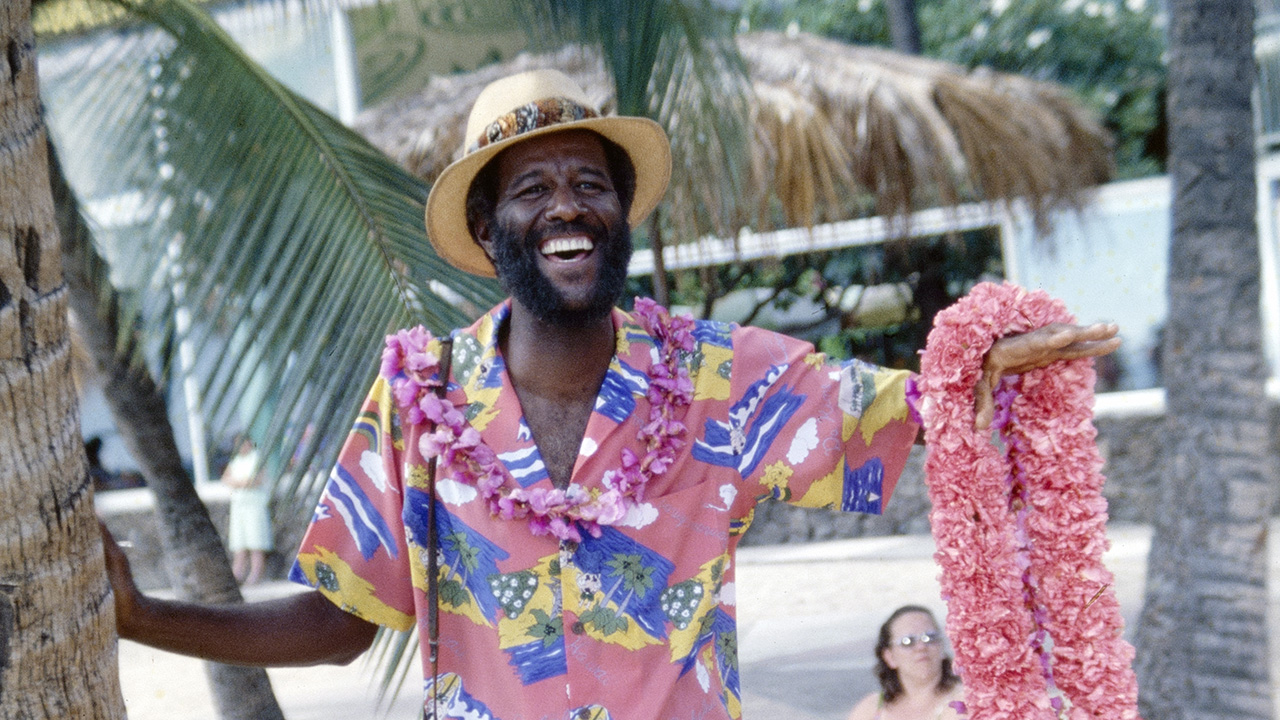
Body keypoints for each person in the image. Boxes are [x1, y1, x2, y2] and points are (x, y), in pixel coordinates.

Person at [100, 69, 1120, 719]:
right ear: (493, 231)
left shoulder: (725, 382)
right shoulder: (419, 398)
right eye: (531, 189)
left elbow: (903, 407)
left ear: (620, 213)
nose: (565, 206)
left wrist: (993, 359)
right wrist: (140, 613)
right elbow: (339, 622)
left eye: (588, 182)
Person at [847, 606, 964, 720]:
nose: (921, 647)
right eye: (908, 641)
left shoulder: (965, 703)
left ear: (942, 647)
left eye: (929, 637)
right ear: (889, 657)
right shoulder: (871, 709)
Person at [220, 436, 274, 585]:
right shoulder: (236, 461)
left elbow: (255, 480)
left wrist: (240, 483)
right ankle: (237, 575)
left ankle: (256, 574)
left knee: (256, 541)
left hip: (254, 505)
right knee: (239, 542)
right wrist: (240, 482)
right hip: (239, 505)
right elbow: (226, 478)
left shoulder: (256, 459)